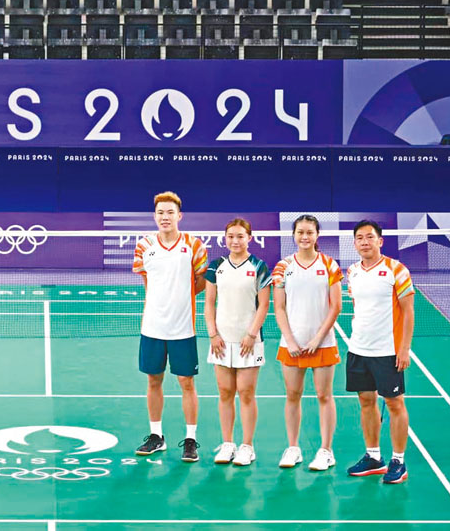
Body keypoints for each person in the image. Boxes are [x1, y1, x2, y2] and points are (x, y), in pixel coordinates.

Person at [133, 191, 208, 462]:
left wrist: (181, 297)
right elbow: (147, 282)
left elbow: (201, 281)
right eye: (160, 213)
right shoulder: (143, 246)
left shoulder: (194, 245)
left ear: (179, 216)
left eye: (170, 212)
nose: (165, 217)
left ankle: (190, 440)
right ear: (155, 216)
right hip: (152, 326)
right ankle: (156, 436)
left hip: (183, 327)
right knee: (153, 380)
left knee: (187, 383)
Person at [345, 220, 414, 484]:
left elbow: (408, 311)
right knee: (366, 401)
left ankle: (398, 460)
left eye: (370, 237)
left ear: (380, 241)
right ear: (355, 243)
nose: (365, 242)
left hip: (388, 351)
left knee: (394, 403)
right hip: (358, 348)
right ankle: (374, 457)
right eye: (360, 238)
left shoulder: (396, 269)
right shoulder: (352, 272)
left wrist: (404, 348)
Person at [272, 214, 343, 471]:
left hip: (323, 343)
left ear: (317, 235)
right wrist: (290, 340)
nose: (304, 237)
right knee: (293, 395)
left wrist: (317, 338)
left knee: (325, 395)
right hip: (291, 344)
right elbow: (279, 307)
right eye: (300, 232)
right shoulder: (283, 267)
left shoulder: (329, 265)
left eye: (309, 232)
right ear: (294, 235)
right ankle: (293, 448)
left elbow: (336, 306)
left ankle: (326, 451)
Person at [204, 219, 270, 466]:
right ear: (225, 238)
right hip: (222, 340)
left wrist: (251, 334)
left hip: (248, 341)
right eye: (231, 236)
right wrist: (213, 334)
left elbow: (264, 305)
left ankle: (247, 447)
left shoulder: (259, 266)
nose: (235, 240)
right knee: (225, 392)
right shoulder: (216, 266)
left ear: (249, 238)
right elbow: (209, 303)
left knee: (246, 393)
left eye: (240, 236)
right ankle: (228, 444)